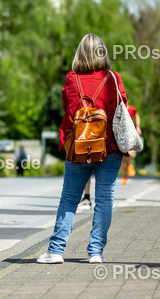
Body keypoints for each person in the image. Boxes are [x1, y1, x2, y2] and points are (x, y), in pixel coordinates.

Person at [38, 33, 127, 265]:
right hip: (109, 147)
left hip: (78, 148)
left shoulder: (71, 78)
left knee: (69, 199)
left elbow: (68, 111)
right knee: (105, 200)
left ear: (80, 53)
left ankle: (56, 252)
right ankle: (96, 253)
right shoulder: (113, 78)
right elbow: (121, 109)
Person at [119, 104, 141, 184]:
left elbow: (137, 115)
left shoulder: (132, 108)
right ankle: (124, 176)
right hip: (121, 134)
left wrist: (138, 126)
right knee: (123, 158)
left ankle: (129, 164)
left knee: (131, 154)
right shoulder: (119, 109)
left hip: (130, 133)